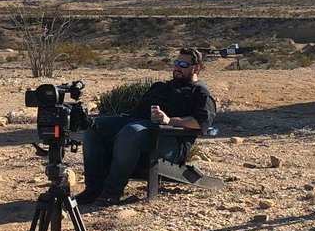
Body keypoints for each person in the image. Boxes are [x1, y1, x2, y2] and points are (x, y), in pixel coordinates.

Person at [79, 47, 216, 206]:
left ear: (196, 68)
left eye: (183, 65)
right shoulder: (163, 86)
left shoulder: (200, 92)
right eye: (176, 63)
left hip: (167, 140)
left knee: (130, 133)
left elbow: (199, 122)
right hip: (137, 124)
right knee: (93, 127)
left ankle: (111, 192)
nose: (177, 67)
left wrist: (169, 120)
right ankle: (93, 190)